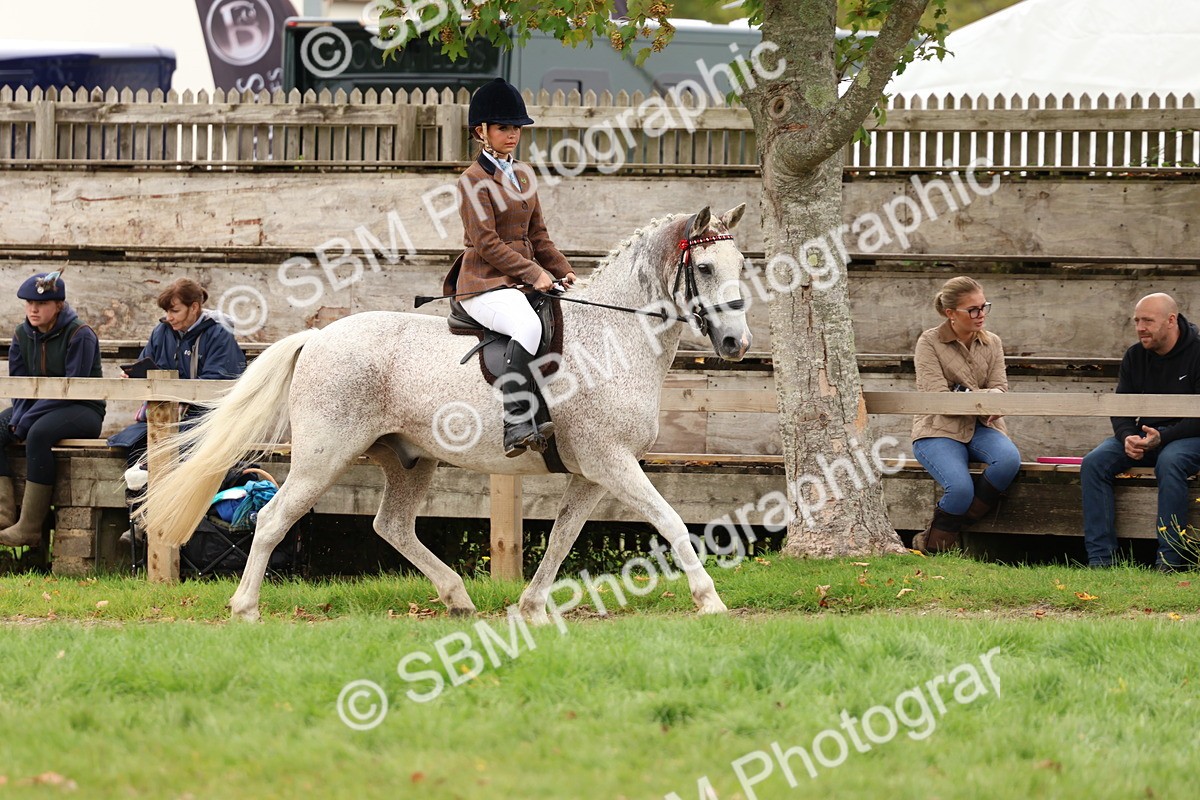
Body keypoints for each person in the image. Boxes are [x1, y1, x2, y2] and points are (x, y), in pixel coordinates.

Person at [442, 77, 577, 457]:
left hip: (517, 281)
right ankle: (516, 421)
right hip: (482, 283)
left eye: (516, 127)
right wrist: (534, 273)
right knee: (528, 324)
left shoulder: (524, 174)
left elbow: (539, 235)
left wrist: (560, 268)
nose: (512, 134)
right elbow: (486, 243)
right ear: (481, 131)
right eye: (504, 127)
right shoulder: (472, 180)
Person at [1081, 293, 1200, 572]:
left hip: (1189, 437)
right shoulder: (1135, 355)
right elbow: (1121, 406)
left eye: (1148, 320)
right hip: (1146, 437)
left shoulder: (1198, 352)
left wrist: (1163, 437)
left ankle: (1170, 560)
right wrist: (1127, 437)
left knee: (1170, 461)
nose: (1140, 327)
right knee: (1094, 463)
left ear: (1171, 321)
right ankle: (1101, 561)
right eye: (1137, 321)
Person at [911, 276, 1020, 554]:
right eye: (973, 309)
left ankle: (953, 526)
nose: (981, 314)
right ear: (950, 314)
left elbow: (1000, 387)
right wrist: (985, 397)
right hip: (938, 429)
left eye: (984, 306)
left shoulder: (993, 342)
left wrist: (992, 399)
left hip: (983, 427)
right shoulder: (929, 342)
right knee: (959, 490)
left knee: (1008, 460)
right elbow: (938, 396)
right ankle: (934, 551)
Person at [0, 272, 105, 547]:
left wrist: (25, 422)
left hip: (82, 408)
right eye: (28, 303)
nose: (33, 309)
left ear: (58, 305)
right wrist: (20, 417)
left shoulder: (80, 334)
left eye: (41, 304)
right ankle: (2, 515)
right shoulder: (21, 334)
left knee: (37, 434)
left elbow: (72, 390)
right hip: (36, 408)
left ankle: (29, 528)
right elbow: (20, 386)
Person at [107, 278, 246, 464]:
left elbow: (217, 384)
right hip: (163, 414)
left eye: (175, 311)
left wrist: (176, 396)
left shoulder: (218, 333)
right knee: (133, 447)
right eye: (167, 311)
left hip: (205, 417)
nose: (169, 317)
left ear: (194, 308)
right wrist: (132, 376)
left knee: (176, 447)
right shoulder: (161, 331)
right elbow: (145, 363)